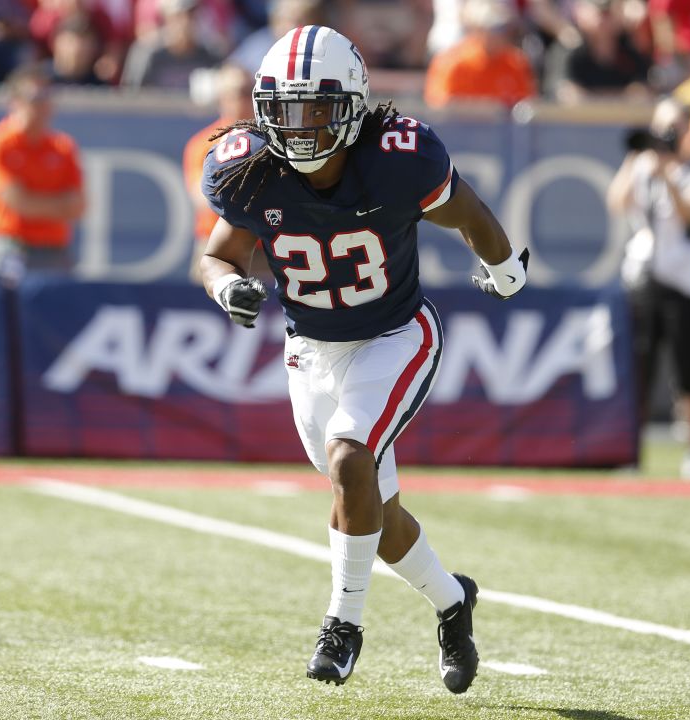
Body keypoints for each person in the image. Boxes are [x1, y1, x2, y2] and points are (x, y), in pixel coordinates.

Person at [200, 25, 530, 692]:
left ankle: (342, 624)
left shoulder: (396, 159)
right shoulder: (254, 167)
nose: (298, 128)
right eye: (284, 111)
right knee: (371, 514)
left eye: (315, 110)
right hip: (310, 351)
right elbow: (217, 256)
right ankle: (451, 601)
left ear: (352, 105)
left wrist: (504, 269)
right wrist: (225, 286)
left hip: (396, 336)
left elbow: (467, 211)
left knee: (352, 457)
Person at [606, 97, 690, 479]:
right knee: (641, 367)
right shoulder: (645, 168)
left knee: (689, 369)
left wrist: (668, 173)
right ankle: (629, 451)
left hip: (688, 283)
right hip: (648, 279)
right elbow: (617, 201)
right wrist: (636, 157)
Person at [0, 64, 87, 283]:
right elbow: (16, 200)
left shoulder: (62, 146)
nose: (43, 104)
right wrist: (57, 205)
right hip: (11, 249)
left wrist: (33, 202)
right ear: (15, 102)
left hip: (56, 251)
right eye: (35, 97)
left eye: (47, 96)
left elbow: (78, 205)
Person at [182, 64, 256, 281]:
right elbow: (202, 197)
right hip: (216, 247)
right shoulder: (203, 145)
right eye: (237, 93)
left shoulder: (271, 142)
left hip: (262, 247)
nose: (244, 100)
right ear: (222, 98)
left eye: (249, 91)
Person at [424, 0, 537, 108]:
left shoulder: (516, 63)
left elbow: (527, 108)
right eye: (496, 29)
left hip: (503, 128)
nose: (502, 34)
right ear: (477, 29)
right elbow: (439, 109)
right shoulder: (451, 64)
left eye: (504, 28)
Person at [544, 0, 653, 104]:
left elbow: (643, 90)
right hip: (580, 122)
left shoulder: (632, 50)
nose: (603, 18)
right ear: (579, 12)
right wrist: (620, 97)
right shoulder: (568, 50)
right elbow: (561, 91)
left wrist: (588, 97)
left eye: (608, 12)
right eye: (598, 12)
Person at [121, 0, 223, 91]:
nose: (185, 22)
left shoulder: (210, 55)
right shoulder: (147, 53)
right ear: (166, 18)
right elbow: (130, 96)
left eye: (191, 15)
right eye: (178, 16)